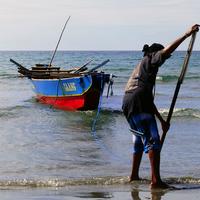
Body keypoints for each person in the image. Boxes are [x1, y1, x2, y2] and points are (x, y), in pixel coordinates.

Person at [122, 24, 199, 189]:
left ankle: (134, 176)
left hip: (128, 104)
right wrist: (186, 35)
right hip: (138, 102)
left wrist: (162, 121)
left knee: (138, 140)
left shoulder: (142, 69)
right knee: (153, 142)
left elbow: (147, 101)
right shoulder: (151, 58)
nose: (164, 61)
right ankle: (156, 181)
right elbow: (167, 51)